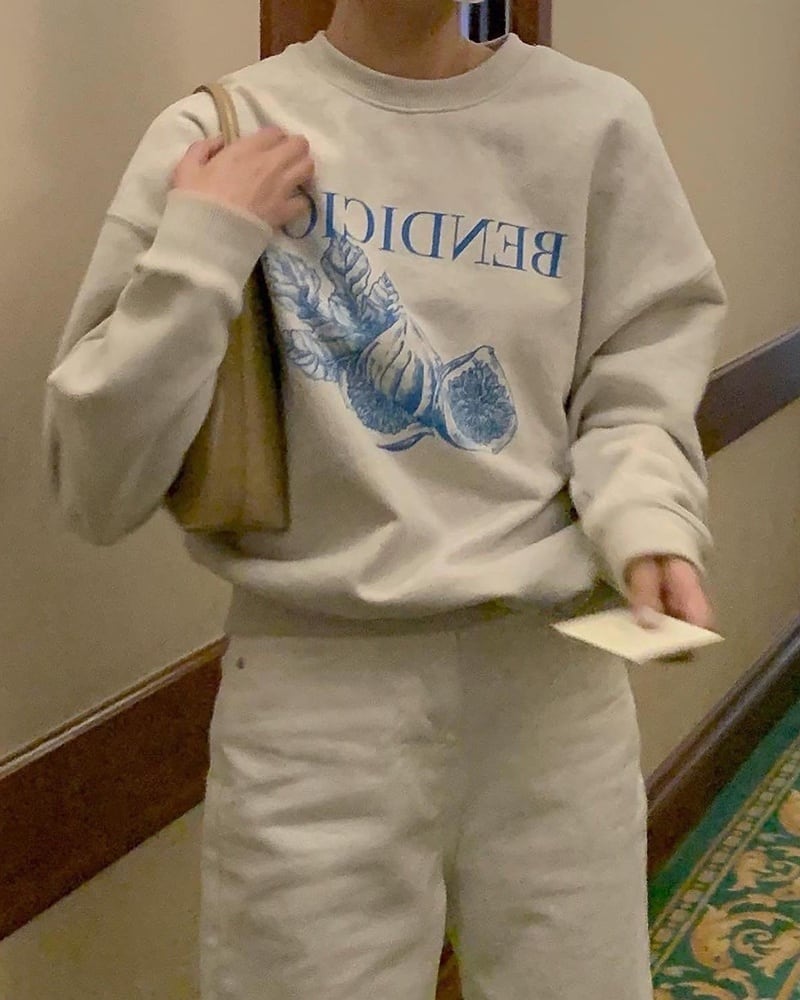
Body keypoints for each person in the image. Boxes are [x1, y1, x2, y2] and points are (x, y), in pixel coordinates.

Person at [43, 1, 726, 997]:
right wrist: (203, 244)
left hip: (550, 688)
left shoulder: (594, 124)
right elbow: (94, 485)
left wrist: (649, 520)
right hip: (314, 697)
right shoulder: (218, 134)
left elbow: (632, 389)